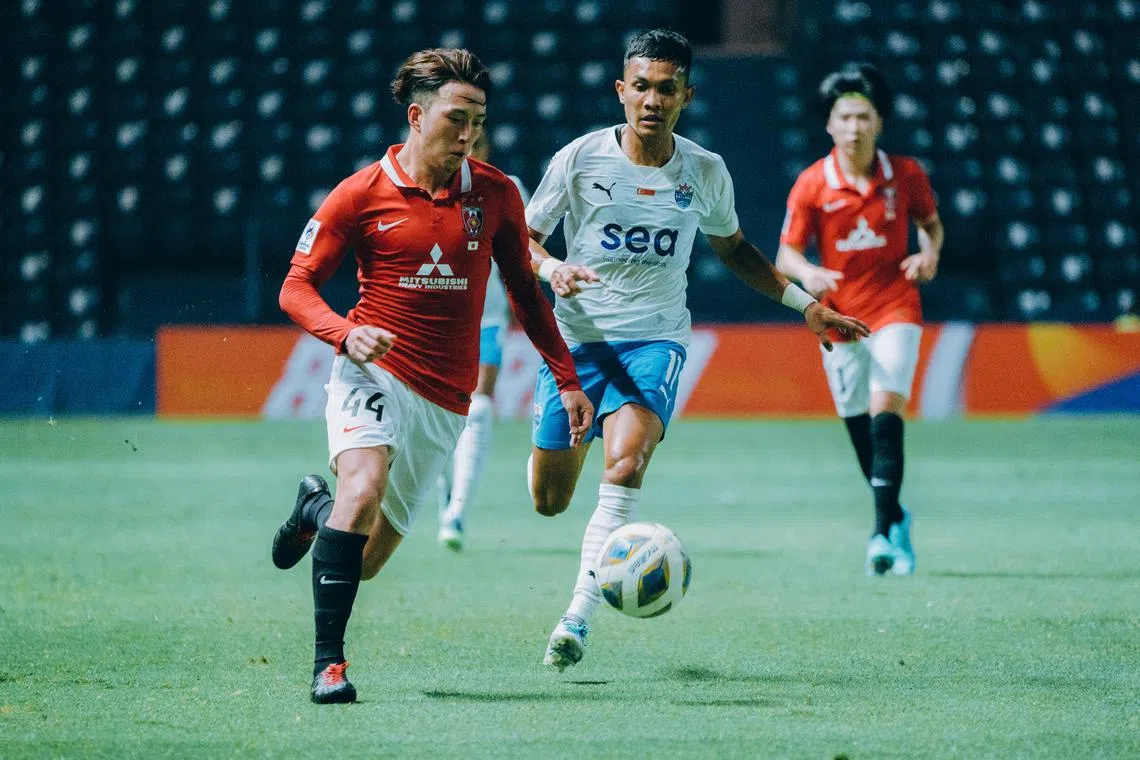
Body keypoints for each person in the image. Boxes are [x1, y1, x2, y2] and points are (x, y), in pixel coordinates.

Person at [524, 29, 871, 671]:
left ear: (687, 94)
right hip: (577, 343)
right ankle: (555, 470)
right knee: (549, 501)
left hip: (656, 337)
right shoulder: (579, 159)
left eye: (666, 89)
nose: (652, 101)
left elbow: (735, 250)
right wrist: (551, 272)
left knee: (626, 465)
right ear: (621, 91)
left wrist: (808, 306)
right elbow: (526, 240)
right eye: (642, 87)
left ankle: (576, 616)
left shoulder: (704, 170)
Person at [268, 48, 593, 703]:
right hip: (372, 371)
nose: (468, 132)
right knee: (362, 489)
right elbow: (296, 287)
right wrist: (345, 332)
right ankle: (329, 667)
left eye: (477, 118)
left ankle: (313, 510)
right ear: (417, 116)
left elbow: (527, 294)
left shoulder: (497, 195)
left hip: (447, 400)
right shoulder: (361, 194)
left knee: (363, 560)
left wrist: (566, 377)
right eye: (455, 117)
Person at [775, 63, 944, 577]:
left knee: (885, 409)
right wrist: (810, 272)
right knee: (856, 422)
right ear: (829, 124)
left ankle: (878, 536)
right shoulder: (811, 184)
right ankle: (895, 516)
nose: (854, 126)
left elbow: (931, 227)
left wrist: (928, 255)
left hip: (896, 307)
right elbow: (786, 255)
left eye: (863, 116)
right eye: (844, 117)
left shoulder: (907, 175)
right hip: (838, 317)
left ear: (879, 123)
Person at [436, 132, 531, 551]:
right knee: (438, 415)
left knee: (479, 408)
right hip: (435, 321)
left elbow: (522, 253)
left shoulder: (506, 189)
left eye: (479, 145)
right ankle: (446, 493)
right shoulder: (428, 187)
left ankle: (457, 511)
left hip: (487, 318)